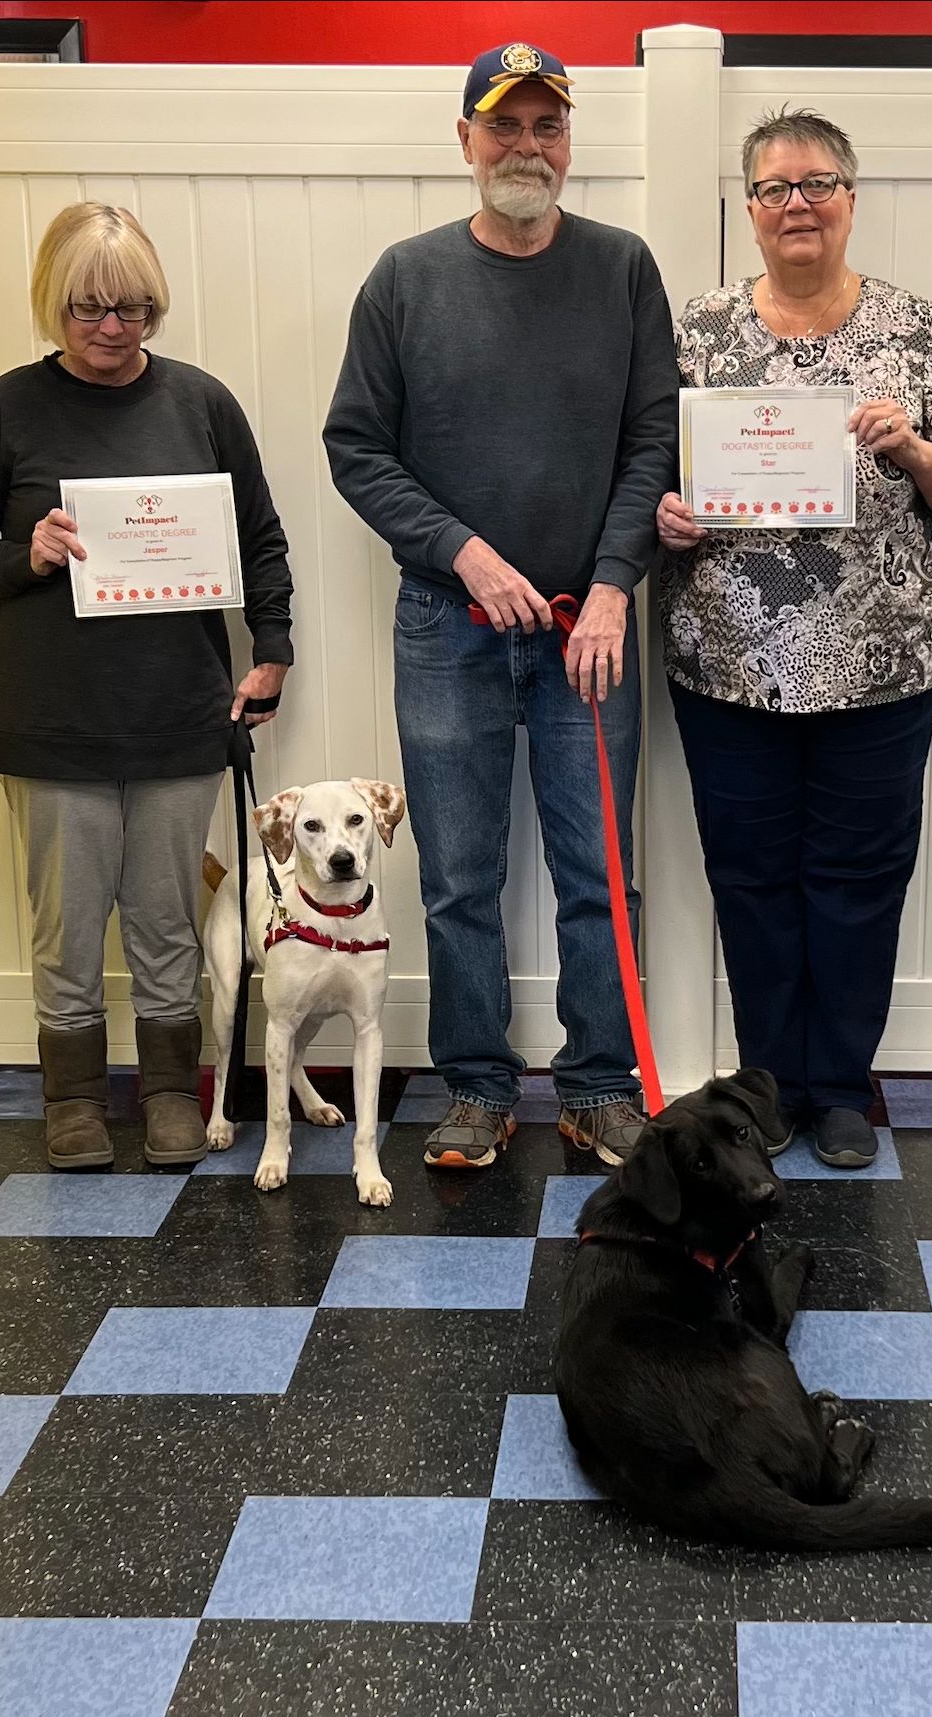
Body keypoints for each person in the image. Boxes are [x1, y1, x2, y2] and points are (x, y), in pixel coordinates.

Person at [324, 40, 677, 1172]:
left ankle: (598, 1087)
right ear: (465, 139)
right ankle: (474, 1085)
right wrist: (463, 553)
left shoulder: (623, 269)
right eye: (505, 125)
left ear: (568, 143)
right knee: (459, 873)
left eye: (548, 126)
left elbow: (652, 441)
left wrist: (618, 583)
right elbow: (357, 450)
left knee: (595, 874)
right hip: (447, 627)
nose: (528, 146)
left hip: (591, 631)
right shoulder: (404, 278)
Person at [655, 107, 932, 1169]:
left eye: (816, 184)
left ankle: (842, 1086)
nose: (795, 203)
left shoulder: (915, 329)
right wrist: (662, 514)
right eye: (773, 188)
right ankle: (768, 1087)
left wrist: (916, 450)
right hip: (728, 664)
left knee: (859, 876)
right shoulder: (697, 331)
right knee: (749, 877)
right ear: (750, 210)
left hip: (882, 665)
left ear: (850, 200)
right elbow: (645, 474)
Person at [0, 202, 294, 1172]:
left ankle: (173, 1092)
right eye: (89, 308)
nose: (111, 328)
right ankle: (76, 1100)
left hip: (178, 712)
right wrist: (24, 553)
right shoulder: (4, 409)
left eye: (132, 308)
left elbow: (259, 536)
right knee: (66, 923)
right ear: (55, 304)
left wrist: (273, 645)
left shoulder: (200, 404)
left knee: (169, 919)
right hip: (51, 721)